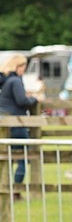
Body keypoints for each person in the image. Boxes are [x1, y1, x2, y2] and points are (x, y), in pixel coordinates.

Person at [1, 55, 42, 194]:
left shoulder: (5, 81)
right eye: (23, 67)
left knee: (8, 157)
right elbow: (21, 101)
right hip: (17, 123)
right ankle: (16, 190)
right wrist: (35, 100)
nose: (24, 70)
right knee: (23, 157)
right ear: (17, 66)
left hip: (5, 124)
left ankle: (6, 187)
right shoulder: (15, 81)